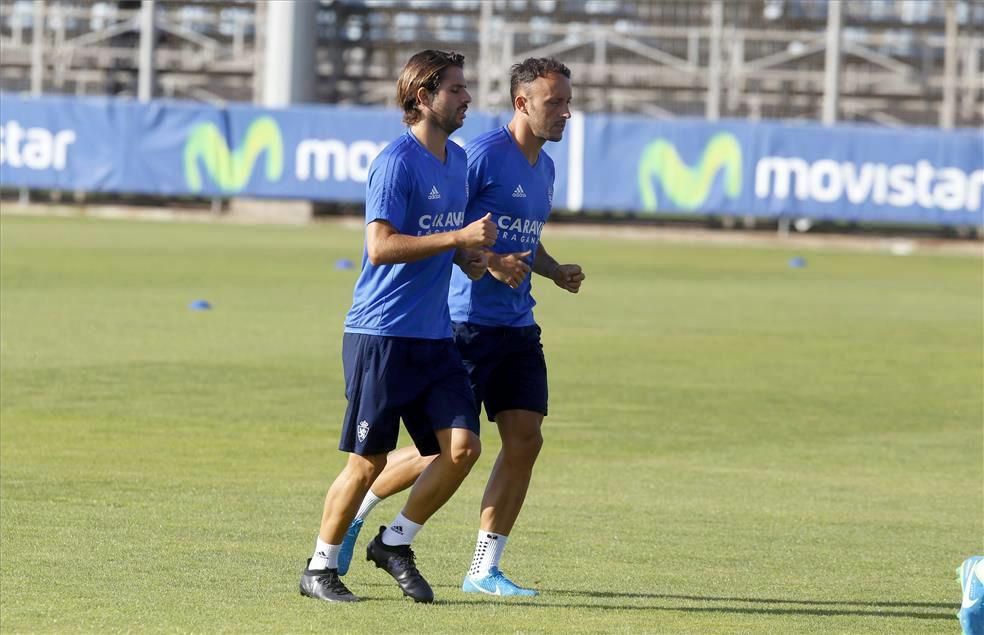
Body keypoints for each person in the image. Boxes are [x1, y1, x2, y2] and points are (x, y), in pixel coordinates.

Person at [336, 57, 585, 597]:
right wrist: (489, 261)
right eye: (555, 102)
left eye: (568, 101)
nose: (567, 112)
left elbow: (524, 236)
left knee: (525, 440)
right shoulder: (479, 157)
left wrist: (552, 268)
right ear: (523, 103)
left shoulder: (544, 168)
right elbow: (454, 227)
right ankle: (362, 513)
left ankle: (483, 568)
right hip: (464, 323)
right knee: (441, 450)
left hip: (518, 324)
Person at [298, 49, 497, 604]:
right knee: (368, 463)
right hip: (380, 333)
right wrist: (457, 240)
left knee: (460, 448)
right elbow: (380, 247)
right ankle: (318, 567)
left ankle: (395, 542)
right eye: (455, 88)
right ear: (422, 97)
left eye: (464, 88)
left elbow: (444, 239)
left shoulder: (456, 161)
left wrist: (472, 258)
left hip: (433, 337)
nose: (466, 98)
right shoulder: (396, 162)